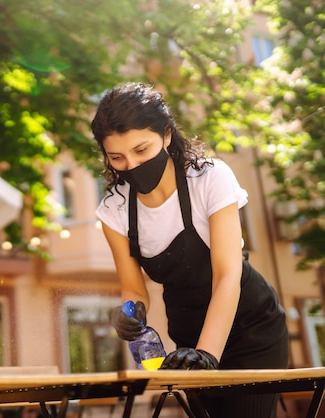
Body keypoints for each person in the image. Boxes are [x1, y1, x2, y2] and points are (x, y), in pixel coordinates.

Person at [92, 83, 289, 418]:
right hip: (186, 336)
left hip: (250, 328)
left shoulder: (210, 179)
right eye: (117, 157)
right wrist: (129, 311)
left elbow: (228, 275)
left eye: (142, 150)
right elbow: (134, 287)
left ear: (166, 134)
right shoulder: (115, 209)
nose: (131, 164)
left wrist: (207, 353)